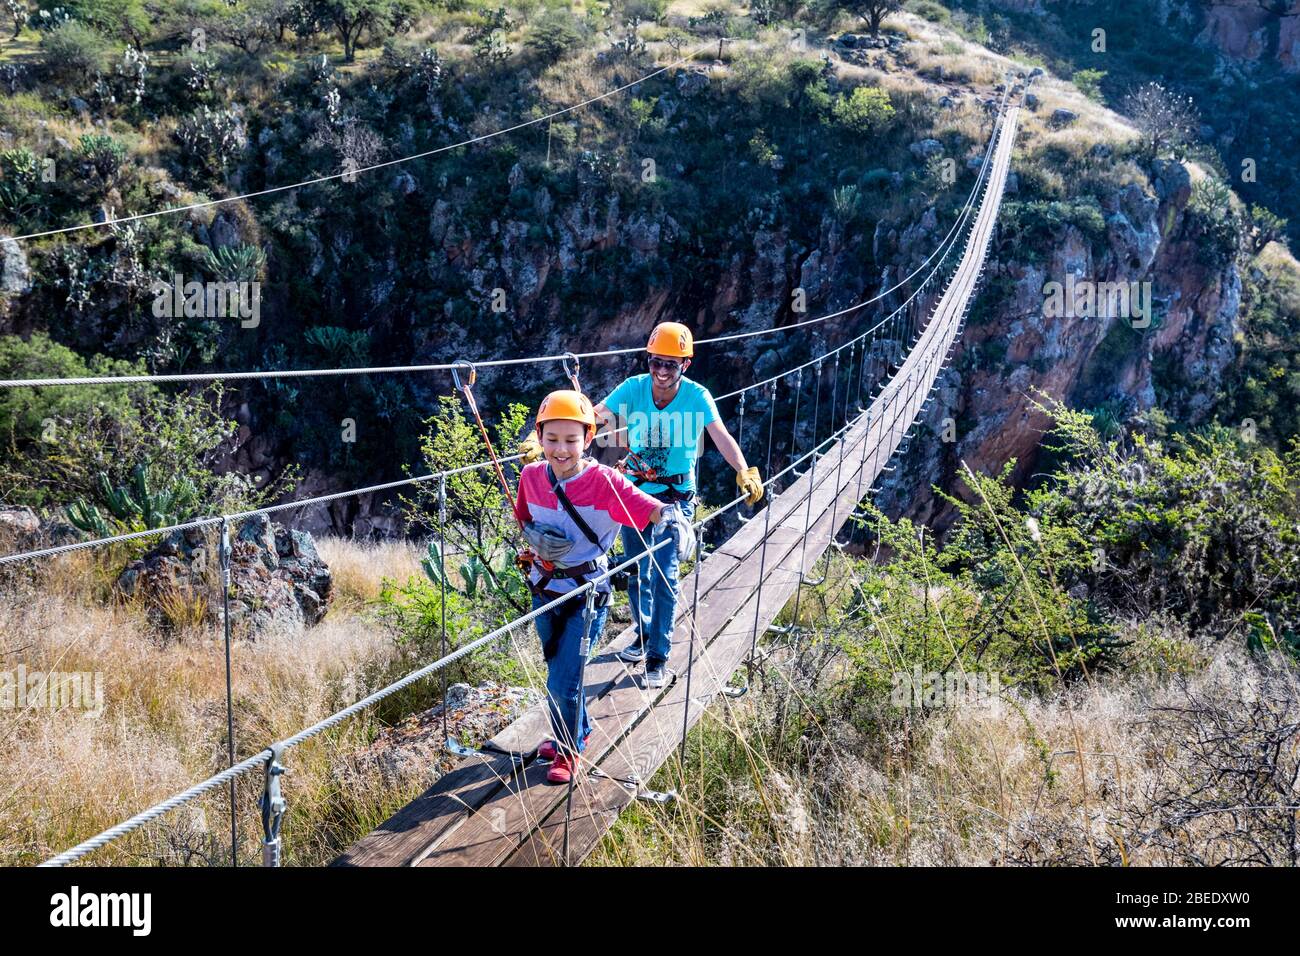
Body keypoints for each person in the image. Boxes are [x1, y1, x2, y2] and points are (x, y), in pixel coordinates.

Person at [514, 389, 695, 784]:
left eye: (571, 440)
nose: (561, 449)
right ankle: (573, 730)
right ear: (539, 437)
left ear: (588, 439)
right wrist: (537, 540)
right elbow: (523, 515)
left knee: (564, 680)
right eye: (552, 439)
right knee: (557, 670)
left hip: (586, 594)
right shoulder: (531, 477)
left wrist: (672, 517)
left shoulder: (604, 482)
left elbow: (646, 506)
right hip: (543, 588)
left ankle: (569, 749)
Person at [594, 322, 764, 690]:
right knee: (638, 570)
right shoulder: (634, 388)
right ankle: (642, 636)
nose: (661, 371)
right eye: (656, 362)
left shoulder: (697, 396)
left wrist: (743, 470)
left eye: (671, 364)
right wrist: (548, 433)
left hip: (674, 499)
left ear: (685, 365)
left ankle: (658, 657)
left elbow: (720, 434)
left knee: (665, 576)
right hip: (634, 494)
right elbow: (594, 417)